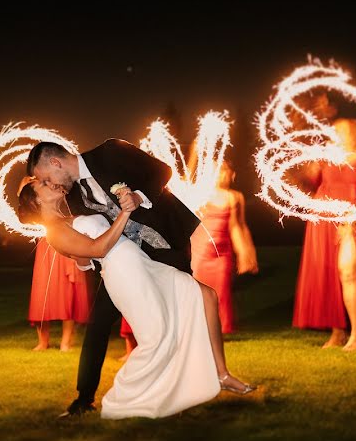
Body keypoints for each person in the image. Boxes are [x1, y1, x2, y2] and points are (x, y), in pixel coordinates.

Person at [26, 139, 248, 417]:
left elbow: (162, 171)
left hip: (166, 242)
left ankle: (219, 374)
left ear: (55, 162)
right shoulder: (70, 197)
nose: (51, 184)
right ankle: (85, 398)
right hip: (124, 262)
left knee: (195, 299)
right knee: (100, 322)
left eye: (46, 177)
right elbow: (81, 241)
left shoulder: (110, 151)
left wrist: (139, 197)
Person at [292, 118, 356, 350]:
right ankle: (337, 332)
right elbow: (310, 181)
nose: (334, 134)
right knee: (330, 277)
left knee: (349, 270)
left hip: (352, 219)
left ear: (354, 134)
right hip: (323, 221)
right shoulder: (326, 160)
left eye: (341, 131)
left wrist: (352, 218)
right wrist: (309, 164)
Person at [191, 160, 258, 334]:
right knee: (197, 290)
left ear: (232, 174)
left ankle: (219, 328)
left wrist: (245, 252)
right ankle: (196, 326)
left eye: (225, 171)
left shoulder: (234, 197)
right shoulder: (201, 194)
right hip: (199, 251)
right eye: (217, 171)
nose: (222, 175)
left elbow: (237, 226)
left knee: (220, 290)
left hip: (221, 254)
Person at [28, 237, 90, 351]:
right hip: (46, 245)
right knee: (42, 295)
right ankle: (43, 342)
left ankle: (65, 342)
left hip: (66, 244)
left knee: (68, 295)